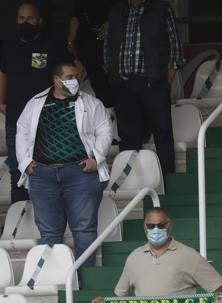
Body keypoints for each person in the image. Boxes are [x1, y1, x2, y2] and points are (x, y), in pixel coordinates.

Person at [16, 60, 111, 263]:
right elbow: (22, 132)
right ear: (57, 80)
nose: (75, 80)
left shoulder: (91, 102)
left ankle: (84, 283)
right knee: (49, 234)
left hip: (80, 173)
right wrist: (25, 163)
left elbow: (105, 129)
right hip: (42, 176)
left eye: (77, 76)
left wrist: (97, 158)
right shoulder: (35, 103)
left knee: (84, 229)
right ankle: (58, 281)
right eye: (70, 77)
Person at [113, 207, 222, 303]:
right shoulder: (134, 257)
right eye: (151, 226)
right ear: (145, 227)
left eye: (161, 225)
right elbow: (120, 294)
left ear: (170, 225)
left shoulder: (188, 254)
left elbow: (220, 287)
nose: (155, 229)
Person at [0, 2, 73, 200]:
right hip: (16, 119)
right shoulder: (8, 45)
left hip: (47, 120)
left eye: (30, 18)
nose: (25, 22)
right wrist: (1, 100)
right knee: (18, 171)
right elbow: (2, 73)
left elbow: (70, 72)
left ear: (39, 20)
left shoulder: (52, 45)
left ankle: (51, 220)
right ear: (16, 20)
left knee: (51, 170)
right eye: (21, 18)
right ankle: (20, 220)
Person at [103, 0, 184, 173]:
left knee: (162, 131)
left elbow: (174, 46)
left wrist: (164, 81)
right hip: (123, 84)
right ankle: (132, 181)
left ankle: (168, 179)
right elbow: (109, 44)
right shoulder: (116, 10)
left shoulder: (161, 8)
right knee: (128, 136)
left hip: (153, 83)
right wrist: (111, 71)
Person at [68, 0, 114, 107]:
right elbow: (75, 17)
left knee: (107, 84)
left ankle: (108, 109)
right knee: (90, 80)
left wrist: (111, 23)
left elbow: (123, 12)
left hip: (107, 45)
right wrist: (70, 42)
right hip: (86, 44)